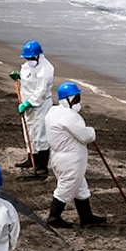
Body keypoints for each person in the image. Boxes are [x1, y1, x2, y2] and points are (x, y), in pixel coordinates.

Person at [44, 81, 106, 228]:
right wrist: (91, 131)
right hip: (70, 160)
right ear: (69, 100)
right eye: (76, 99)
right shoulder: (70, 116)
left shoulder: (53, 112)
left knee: (80, 187)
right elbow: (85, 137)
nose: (78, 102)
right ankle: (54, 217)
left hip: (59, 157)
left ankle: (86, 216)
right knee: (65, 188)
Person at [15, 41, 55, 174]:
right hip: (27, 105)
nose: (29, 60)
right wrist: (19, 78)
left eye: (31, 58)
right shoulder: (27, 66)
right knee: (29, 132)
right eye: (27, 58)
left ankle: (42, 166)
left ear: (38, 56)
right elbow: (28, 83)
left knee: (40, 135)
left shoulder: (46, 69)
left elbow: (41, 90)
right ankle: (31, 158)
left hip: (40, 106)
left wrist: (29, 103)